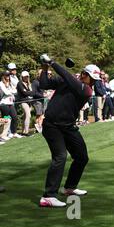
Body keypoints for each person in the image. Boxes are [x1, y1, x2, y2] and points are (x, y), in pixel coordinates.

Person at [38, 54, 101, 208]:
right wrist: (45, 67)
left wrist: (52, 62)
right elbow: (44, 84)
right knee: (60, 156)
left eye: (95, 80)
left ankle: (69, 188)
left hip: (68, 126)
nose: (92, 82)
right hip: (52, 125)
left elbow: (66, 76)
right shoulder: (69, 81)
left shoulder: (86, 90)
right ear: (84, 74)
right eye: (91, 78)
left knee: (82, 157)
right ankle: (48, 196)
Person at [0, 71, 22, 139]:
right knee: (6, 119)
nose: (7, 76)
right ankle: (4, 134)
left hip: (10, 103)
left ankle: (14, 133)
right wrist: (12, 91)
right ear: (3, 76)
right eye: (6, 75)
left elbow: (15, 91)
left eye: (8, 75)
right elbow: (6, 93)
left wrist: (12, 91)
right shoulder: (1, 83)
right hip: (4, 104)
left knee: (15, 117)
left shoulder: (10, 83)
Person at [16, 71, 36, 136]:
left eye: (27, 76)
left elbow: (30, 92)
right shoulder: (20, 84)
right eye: (25, 77)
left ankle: (23, 131)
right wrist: (31, 92)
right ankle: (26, 132)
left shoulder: (28, 83)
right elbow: (25, 93)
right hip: (23, 102)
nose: (26, 78)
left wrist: (30, 92)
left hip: (28, 102)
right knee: (28, 115)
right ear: (22, 77)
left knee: (25, 116)